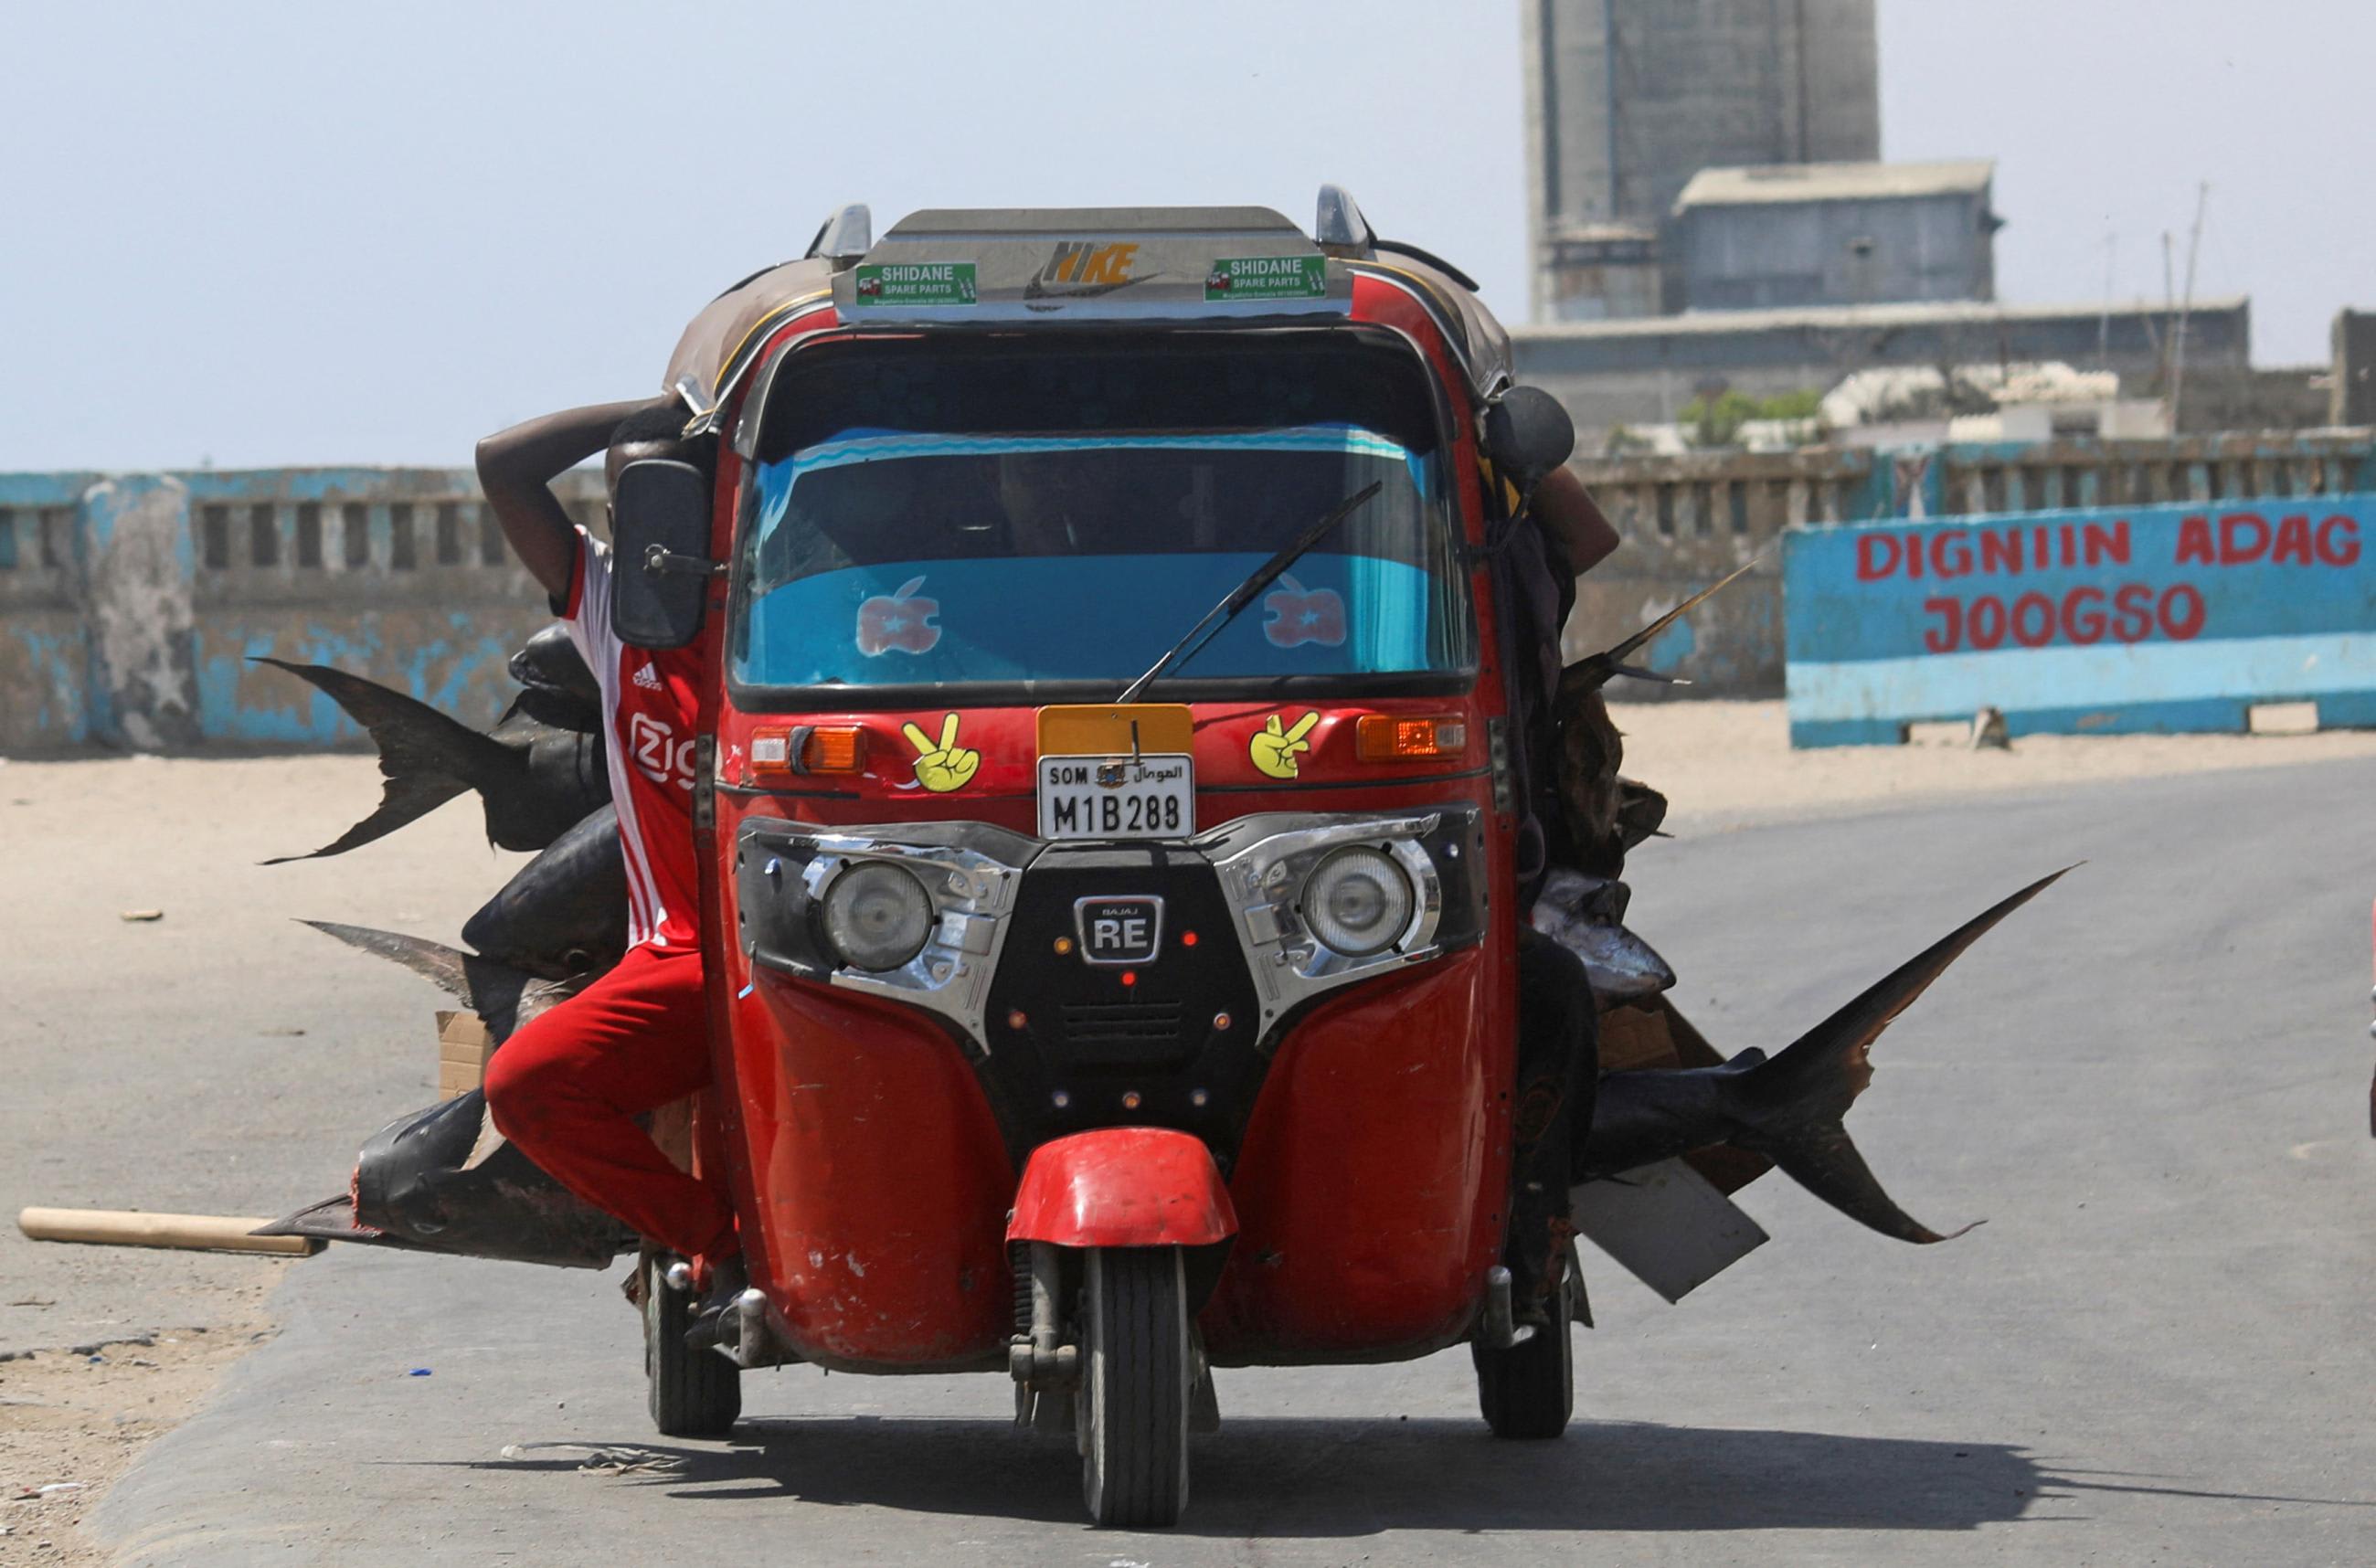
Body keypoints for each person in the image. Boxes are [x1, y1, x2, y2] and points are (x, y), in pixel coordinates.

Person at [473, 397, 745, 1335]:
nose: (651, 545)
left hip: (814, 954)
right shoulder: (611, 614)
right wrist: (656, 409)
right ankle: (717, 1241)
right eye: (633, 519)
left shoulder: (794, 619)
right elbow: (502, 465)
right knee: (527, 1088)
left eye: (672, 512)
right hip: (678, 965)